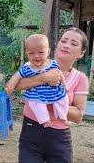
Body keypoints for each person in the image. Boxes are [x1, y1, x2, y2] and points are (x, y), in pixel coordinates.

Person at [14, 28, 89, 163]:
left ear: (81, 53)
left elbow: (78, 116)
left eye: (73, 43)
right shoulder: (34, 65)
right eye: (64, 41)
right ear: (57, 44)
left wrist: (50, 102)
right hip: (31, 131)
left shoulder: (80, 79)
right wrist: (44, 78)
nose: (66, 45)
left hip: (59, 138)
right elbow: (16, 85)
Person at [6, 34, 69, 128]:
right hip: (37, 94)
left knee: (64, 99)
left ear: (48, 51)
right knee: (36, 105)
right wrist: (10, 85)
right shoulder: (27, 68)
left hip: (54, 92)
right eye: (31, 53)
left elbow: (59, 74)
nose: (36, 56)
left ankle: (63, 116)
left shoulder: (53, 64)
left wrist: (65, 85)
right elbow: (17, 76)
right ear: (27, 53)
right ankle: (44, 120)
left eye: (41, 52)